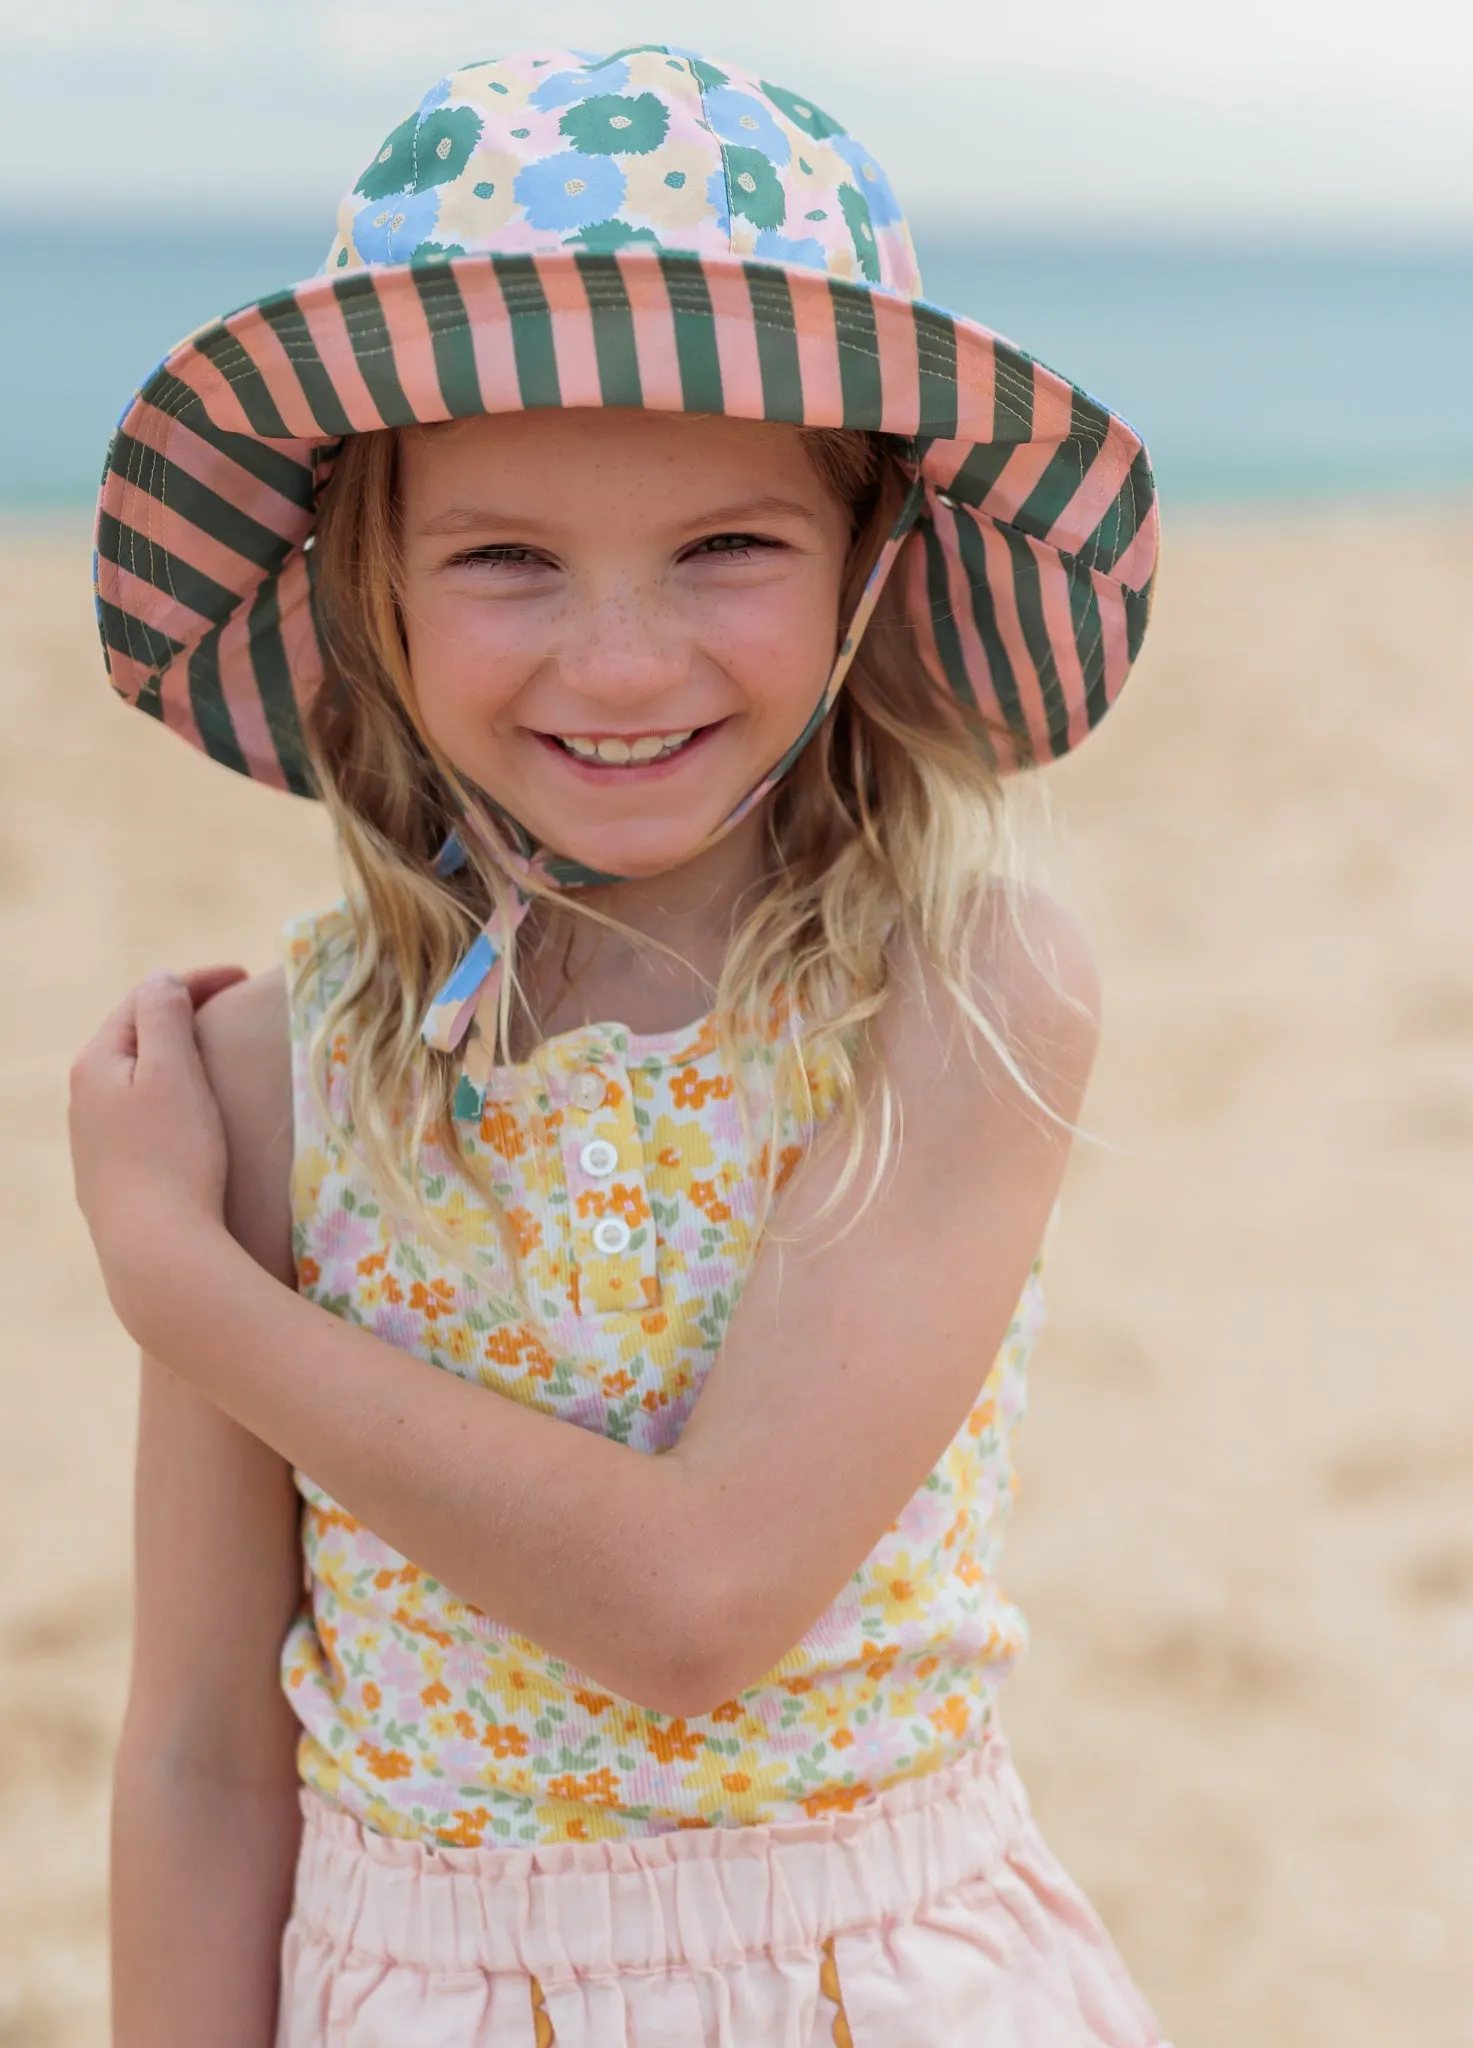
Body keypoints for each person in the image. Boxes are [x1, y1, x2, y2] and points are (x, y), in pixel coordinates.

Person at [70, 43, 1167, 2048]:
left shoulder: (961, 994)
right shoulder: (260, 1084)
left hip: (874, 1985)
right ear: (366, 590)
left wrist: (179, 1289)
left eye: (726, 548)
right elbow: (202, 1756)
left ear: (872, 566)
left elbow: (700, 1603)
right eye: (504, 559)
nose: (624, 656)